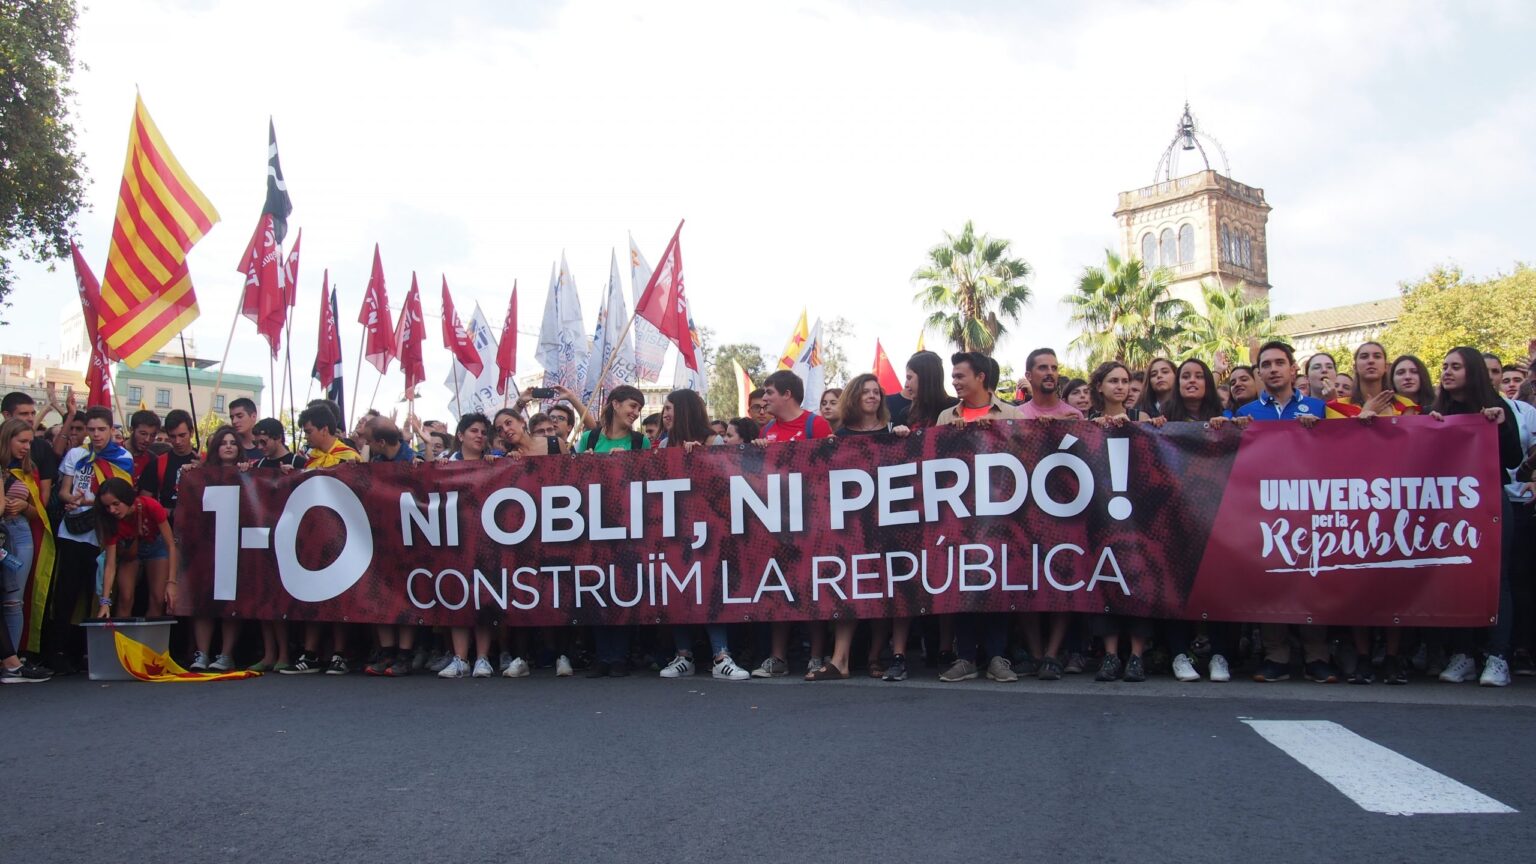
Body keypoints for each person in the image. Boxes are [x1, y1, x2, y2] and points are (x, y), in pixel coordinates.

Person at [1236, 341, 1336, 683]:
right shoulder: (1246, 412)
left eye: (1280, 362)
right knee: (1270, 578)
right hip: (1261, 508)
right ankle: (1275, 656)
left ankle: (1317, 656)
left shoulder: (1320, 408)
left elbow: (1343, 450)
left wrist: (1323, 432)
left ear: (1294, 369)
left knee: (1312, 577)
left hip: (1309, 505)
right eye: (1267, 364)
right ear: (1259, 372)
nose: (1274, 369)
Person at [1427, 348, 1524, 687]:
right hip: (1448, 505)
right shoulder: (1435, 411)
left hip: (1490, 503)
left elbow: (1513, 459)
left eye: (1456, 366)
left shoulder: (1497, 407)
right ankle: (1464, 653)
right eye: (1444, 365)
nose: (1447, 371)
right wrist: (1430, 429)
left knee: (1497, 578)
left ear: (1472, 372)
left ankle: (1498, 656)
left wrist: (1500, 426)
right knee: (1455, 575)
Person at [929, 353, 1023, 683]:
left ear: (980, 377)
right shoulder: (945, 416)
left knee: (998, 584)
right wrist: (950, 437)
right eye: (952, 376)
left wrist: (1000, 433)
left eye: (960, 376)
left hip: (1001, 516)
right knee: (963, 585)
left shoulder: (1011, 413)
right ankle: (966, 657)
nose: (954, 382)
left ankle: (998, 657)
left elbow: (1027, 456)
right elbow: (933, 464)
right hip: (958, 519)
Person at [656, 389, 749, 681]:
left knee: (710, 589)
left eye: (670, 408)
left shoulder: (715, 441)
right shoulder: (662, 443)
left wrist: (702, 457)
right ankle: (684, 656)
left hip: (710, 533)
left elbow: (729, 482)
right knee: (677, 590)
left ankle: (721, 656)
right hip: (673, 532)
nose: (665, 414)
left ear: (685, 410)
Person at [750, 370, 835, 679]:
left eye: (770, 392)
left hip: (811, 521)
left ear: (787, 394)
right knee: (778, 589)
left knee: (812, 588)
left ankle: (815, 656)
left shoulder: (816, 424)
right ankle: (778, 658)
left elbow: (830, 467)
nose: (765, 398)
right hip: (776, 522)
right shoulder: (768, 429)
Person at [1159, 360, 1237, 683]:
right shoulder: (1162, 421)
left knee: (1222, 587)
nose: (1191, 381)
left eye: (1198, 376)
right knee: (1174, 588)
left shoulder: (1227, 420)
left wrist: (1234, 427)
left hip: (1218, 517)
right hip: (1174, 518)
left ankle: (1221, 655)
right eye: (1185, 376)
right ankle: (1179, 654)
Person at [575, 386, 650, 678]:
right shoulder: (588, 439)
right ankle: (601, 655)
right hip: (591, 525)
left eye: (639, 409)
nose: (635, 413)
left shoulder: (640, 441)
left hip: (627, 525)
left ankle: (618, 656)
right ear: (615, 404)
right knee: (596, 589)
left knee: (622, 590)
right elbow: (571, 478)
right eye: (632, 406)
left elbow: (649, 479)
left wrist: (628, 464)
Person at [51, 406, 132, 674]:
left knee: (96, 592)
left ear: (111, 429)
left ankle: (89, 652)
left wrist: (89, 501)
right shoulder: (77, 454)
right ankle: (61, 651)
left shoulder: (123, 458)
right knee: (66, 593)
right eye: (91, 430)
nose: (96, 435)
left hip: (101, 534)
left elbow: (121, 497)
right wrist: (70, 499)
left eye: (101, 429)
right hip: (71, 531)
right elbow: (64, 490)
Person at [281, 405, 361, 675]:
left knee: (340, 597)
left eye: (309, 431)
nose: (307, 436)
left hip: (343, 537)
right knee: (312, 597)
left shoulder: (350, 457)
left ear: (325, 429)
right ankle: (311, 653)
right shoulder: (310, 460)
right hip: (314, 536)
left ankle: (340, 654)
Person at [1482, 354, 1536, 678]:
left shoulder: (1522, 412)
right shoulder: (1448, 410)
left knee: (1510, 579)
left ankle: (1507, 651)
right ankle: (1463, 650)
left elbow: (1518, 458)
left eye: (1495, 372)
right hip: (1466, 507)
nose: (1490, 377)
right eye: (1483, 371)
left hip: (1512, 503)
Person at [188, 427, 244, 670]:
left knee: (230, 602)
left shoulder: (250, 473)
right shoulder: (200, 475)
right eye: (223, 442)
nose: (229, 446)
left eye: (233, 442)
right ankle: (202, 654)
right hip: (206, 545)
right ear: (215, 448)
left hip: (236, 546)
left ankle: (226, 654)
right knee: (203, 601)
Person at [0, 418, 53, 664]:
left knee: (14, 600)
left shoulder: (29, 469)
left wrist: (24, 506)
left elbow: (39, 513)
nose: (26, 447)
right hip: (4, 532)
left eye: (30, 442)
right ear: (7, 438)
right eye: (22, 441)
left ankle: (13, 659)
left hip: (21, 534)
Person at [93, 477, 178, 623]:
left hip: (157, 546)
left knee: (158, 598)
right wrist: (104, 603)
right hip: (130, 550)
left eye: (116, 504)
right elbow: (110, 565)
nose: (112, 510)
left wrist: (171, 582)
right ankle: (121, 642)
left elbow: (171, 545)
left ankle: (150, 644)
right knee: (125, 597)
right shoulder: (109, 520)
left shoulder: (150, 505)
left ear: (127, 498)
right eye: (107, 507)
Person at [137, 409, 199, 514]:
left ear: (192, 432)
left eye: (182, 435)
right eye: (172, 436)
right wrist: (165, 512)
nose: (177, 441)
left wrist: (207, 470)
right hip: (167, 525)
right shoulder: (157, 464)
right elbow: (143, 502)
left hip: (199, 525)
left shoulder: (206, 460)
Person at [1017, 348, 1083, 421]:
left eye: (1054, 368)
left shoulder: (1073, 416)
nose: (1050, 372)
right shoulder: (1017, 415)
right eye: (1043, 368)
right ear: (1029, 376)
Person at [227, 397, 264, 462]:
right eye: (232, 418)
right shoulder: (228, 446)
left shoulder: (267, 447)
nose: (234, 421)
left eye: (239, 416)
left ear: (253, 416)